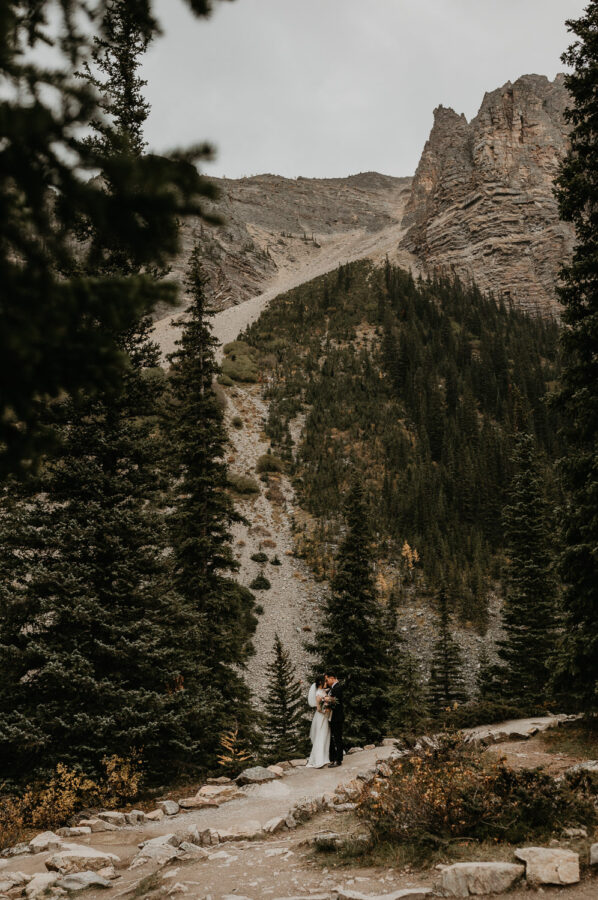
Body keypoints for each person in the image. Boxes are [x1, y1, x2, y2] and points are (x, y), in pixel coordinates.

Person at [306, 674, 331, 768]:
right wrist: (325, 711)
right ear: (320, 682)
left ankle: (325, 758)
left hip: (324, 717)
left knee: (325, 736)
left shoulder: (323, 691)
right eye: (325, 681)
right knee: (320, 736)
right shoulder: (318, 693)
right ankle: (318, 760)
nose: (326, 683)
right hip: (321, 716)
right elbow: (318, 708)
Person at [325, 672, 344, 767]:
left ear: (332, 678)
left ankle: (338, 760)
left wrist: (327, 701)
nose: (326, 682)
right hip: (332, 717)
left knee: (337, 738)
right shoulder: (332, 688)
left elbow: (336, 702)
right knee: (334, 738)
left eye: (327, 680)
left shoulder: (338, 687)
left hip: (337, 717)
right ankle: (333, 758)